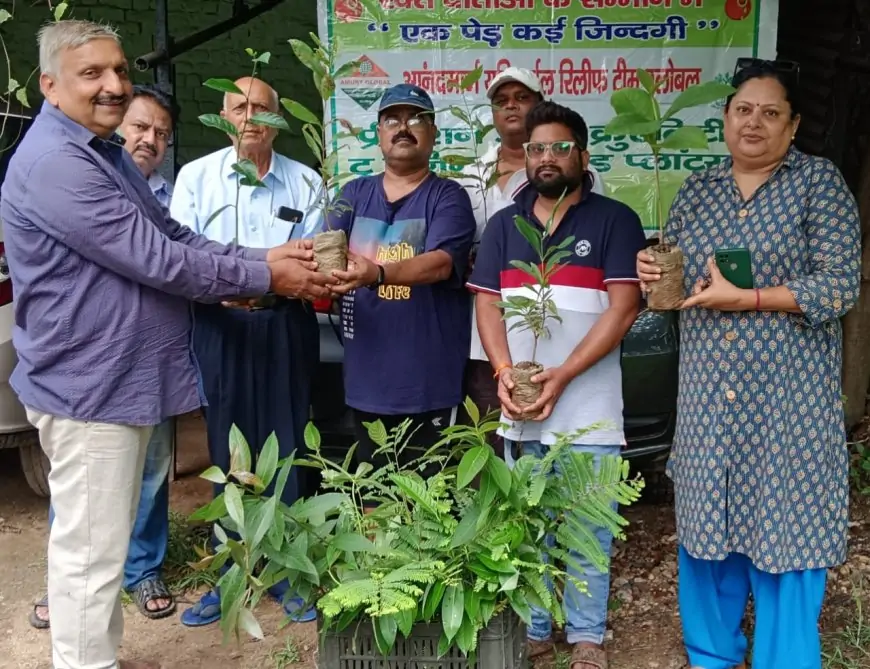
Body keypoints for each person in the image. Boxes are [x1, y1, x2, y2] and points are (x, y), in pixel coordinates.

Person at [0, 20, 333, 669]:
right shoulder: (56, 164)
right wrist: (266, 273)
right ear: (49, 84)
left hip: (113, 381)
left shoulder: (102, 151)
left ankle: (96, 656)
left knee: (101, 542)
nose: (113, 85)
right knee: (91, 553)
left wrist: (261, 256)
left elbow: (174, 233)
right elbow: (158, 259)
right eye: (91, 73)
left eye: (119, 70)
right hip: (88, 387)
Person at [637, 59, 860, 669]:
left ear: (792, 126)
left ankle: (785, 659)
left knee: (788, 529)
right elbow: (678, 280)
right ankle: (711, 654)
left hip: (789, 399)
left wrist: (752, 298)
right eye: (743, 109)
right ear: (726, 119)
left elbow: (840, 287)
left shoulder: (819, 183)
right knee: (709, 523)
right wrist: (655, 274)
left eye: (770, 112)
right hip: (710, 394)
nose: (753, 122)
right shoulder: (698, 191)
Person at [468, 101, 646, 669]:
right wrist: (501, 372)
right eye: (536, 149)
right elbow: (489, 304)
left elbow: (622, 310)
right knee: (528, 524)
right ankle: (537, 627)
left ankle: (588, 636)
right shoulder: (503, 226)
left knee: (590, 524)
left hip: (590, 406)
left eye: (559, 147)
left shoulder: (614, 220)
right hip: (522, 406)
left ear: (582, 155)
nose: (546, 158)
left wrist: (564, 375)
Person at [170, 76, 324, 628]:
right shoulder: (196, 178)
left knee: (285, 443)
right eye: (240, 106)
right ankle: (230, 572)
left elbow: (310, 265)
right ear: (223, 113)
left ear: (278, 119)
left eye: (262, 108)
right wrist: (264, 268)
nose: (251, 116)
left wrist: (238, 270)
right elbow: (189, 261)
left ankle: (288, 570)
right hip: (220, 326)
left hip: (284, 325)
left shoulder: (305, 181)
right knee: (225, 450)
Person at [30, 85, 181, 631]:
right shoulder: (72, 172)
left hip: (149, 359)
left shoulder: (157, 187)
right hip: (93, 372)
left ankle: (142, 571)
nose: (149, 139)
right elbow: (162, 260)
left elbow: (181, 246)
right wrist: (262, 271)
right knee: (86, 498)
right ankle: (65, 596)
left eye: (161, 133)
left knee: (148, 472)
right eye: (142, 126)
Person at [326, 83, 475, 481]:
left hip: (428, 384)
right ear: (378, 133)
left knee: (433, 503)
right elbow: (325, 253)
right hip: (366, 381)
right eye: (392, 119)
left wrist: (376, 273)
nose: (403, 127)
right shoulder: (354, 194)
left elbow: (441, 264)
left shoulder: (448, 196)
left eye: (416, 119)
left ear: (433, 135)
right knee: (375, 498)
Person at [459, 67, 605, 450]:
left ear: (540, 105)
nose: (511, 106)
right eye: (501, 101)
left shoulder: (576, 174)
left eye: (521, 98)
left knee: (561, 440)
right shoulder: (471, 172)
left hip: (559, 334)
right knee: (494, 436)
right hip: (489, 338)